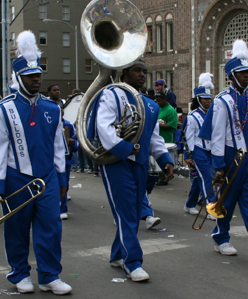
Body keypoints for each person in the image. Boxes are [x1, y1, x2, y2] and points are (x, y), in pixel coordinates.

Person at [0, 31, 71, 294]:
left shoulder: (52, 108)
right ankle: (19, 273)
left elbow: (57, 148)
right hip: (16, 176)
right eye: (31, 77)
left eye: (38, 75)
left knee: (51, 227)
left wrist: (62, 179)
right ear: (19, 78)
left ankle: (50, 275)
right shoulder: (3, 109)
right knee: (17, 229)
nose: (37, 80)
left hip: (47, 178)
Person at [91, 59, 174, 282]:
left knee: (134, 212)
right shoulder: (111, 94)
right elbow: (105, 130)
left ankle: (118, 254)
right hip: (116, 161)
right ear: (125, 73)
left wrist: (165, 158)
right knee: (127, 211)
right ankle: (133, 262)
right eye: (137, 70)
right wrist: (128, 148)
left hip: (140, 163)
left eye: (144, 72)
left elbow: (154, 138)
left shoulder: (151, 105)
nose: (141, 75)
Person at [198, 40, 248, 260]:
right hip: (230, 154)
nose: (247, 75)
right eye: (242, 73)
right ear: (232, 75)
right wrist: (218, 164)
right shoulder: (221, 101)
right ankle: (221, 237)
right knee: (228, 199)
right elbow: (217, 134)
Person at [183, 73, 215, 216]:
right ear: (198, 100)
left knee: (199, 178)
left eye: (210, 99)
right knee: (206, 177)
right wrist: (188, 155)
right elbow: (187, 138)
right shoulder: (192, 116)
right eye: (205, 99)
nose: (208, 101)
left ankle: (190, 204)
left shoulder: (212, 114)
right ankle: (211, 209)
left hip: (210, 150)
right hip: (198, 150)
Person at [60, 117, 79, 220]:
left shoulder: (69, 125)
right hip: (51, 159)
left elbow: (76, 141)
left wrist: (72, 142)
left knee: (64, 183)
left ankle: (63, 209)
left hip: (65, 159)